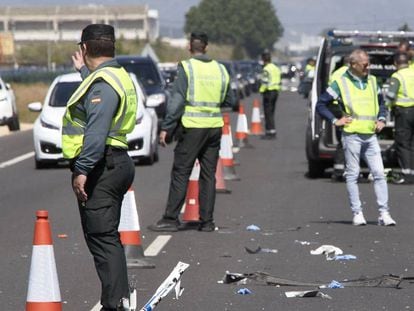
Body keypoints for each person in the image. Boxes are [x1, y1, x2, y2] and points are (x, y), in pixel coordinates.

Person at [62, 24, 137, 310]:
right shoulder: (114, 76)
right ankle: (116, 301)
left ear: (84, 48)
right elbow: (99, 97)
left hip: (102, 166)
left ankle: (115, 305)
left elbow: (96, 131)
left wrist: (81, 169)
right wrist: (83, 71)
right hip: (115, 162)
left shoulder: (103, 84)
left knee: (104, 241)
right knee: (106, 239)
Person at [148, 32, 235, 232]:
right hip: (214, 127)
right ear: (206, 47)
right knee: (208, 175)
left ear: (190, 47)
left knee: (181, 172)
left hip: (193, 127)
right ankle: (207, 222)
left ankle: (170, 219)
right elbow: (230, 100)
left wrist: (167, 127)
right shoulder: (220, 69)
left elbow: (177, 100)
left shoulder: (187, 67)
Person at [316, 49, 396, 226]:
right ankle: (357, 213)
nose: (368, 67)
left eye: (368, 64)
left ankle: (384, 213)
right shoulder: (340, 83)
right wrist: (335, 120)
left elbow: (381, 103)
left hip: (370, 136)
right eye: (365, 64)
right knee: (353, 175)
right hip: (352, 135)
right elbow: (321, 104)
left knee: (379, 174)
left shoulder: (373, 81)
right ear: (353, 65)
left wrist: (382, 118)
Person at [386, 52, 414, 184]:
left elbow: (391, 95)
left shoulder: (397, 76)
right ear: (408, 63)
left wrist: (387, 108)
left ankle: (407, 173)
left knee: (403, 143)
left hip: (404, 112)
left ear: (395, 64)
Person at [259, 50, 281, 139]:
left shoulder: (266, 69)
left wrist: (261, 90)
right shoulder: (275, 68)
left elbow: (265, 82)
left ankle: (271, 131)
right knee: (272, 112)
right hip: (275, 91)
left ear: (263, 59)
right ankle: (270, 130)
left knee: (268, 113)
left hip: (268, 92)